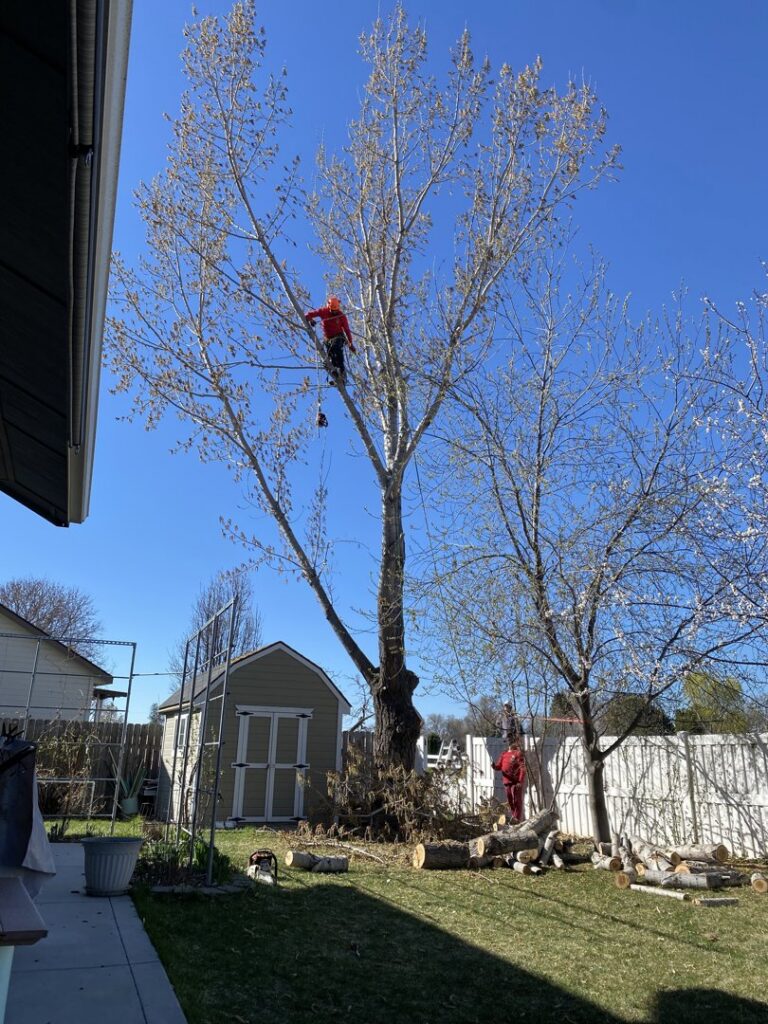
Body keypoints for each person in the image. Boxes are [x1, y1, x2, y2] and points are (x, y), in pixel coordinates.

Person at [305, 295, 355, 384]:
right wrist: (311, 320)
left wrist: (350, 343)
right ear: (328, 307)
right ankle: (336, 375)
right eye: (332, 310)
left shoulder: (341, 316)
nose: (334, 312)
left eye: (335, 311)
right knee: (330, 357)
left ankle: (342, 374)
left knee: (337, 350)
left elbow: (347, 330)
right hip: (328, 339)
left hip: (339, 336)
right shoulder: (323, 311)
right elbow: (308, 314)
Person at [491, 737, 526, 822]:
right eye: (509, 742)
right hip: (507, 781)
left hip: (515, 782)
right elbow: (499, 766)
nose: (510, 743)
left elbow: (522, 768)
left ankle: (517, 819)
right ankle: (514, 818)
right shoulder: (504, 754)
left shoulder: (518, 753)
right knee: (510, 801)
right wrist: (494, 766)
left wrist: (520, 781)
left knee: (517, 801)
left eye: (512, 741)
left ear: (516, 742)